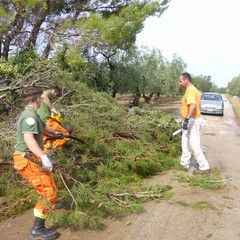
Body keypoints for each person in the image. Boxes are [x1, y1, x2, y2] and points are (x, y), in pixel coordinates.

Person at [12, 86, 60, 240]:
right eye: (41, 98)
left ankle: (47, 209)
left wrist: (55, 133)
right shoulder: (29, 117)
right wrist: (43, 156)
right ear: (38, 99)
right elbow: (28, 138)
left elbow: (43, 125)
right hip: (27, 159)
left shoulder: (33, 114)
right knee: (48, 191)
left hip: (32, 157)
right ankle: (37, 230)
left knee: (49, 188)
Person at [179, 72, 210, 175]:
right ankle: (184, 163)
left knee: (193, 144)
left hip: (192, 120)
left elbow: (192, 105)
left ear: (186, 80)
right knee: (185, 142)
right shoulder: (191, 89)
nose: (180, 83)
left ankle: (204, 166)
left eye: (181, 81)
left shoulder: (191, 90)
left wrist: (187, 119)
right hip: (190, 119)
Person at [37, 86, 70, 153]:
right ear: (54, 90)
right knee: (65, 135)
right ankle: (54, 150)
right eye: (56, 94)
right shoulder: (48, 93)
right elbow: (44, 95)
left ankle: (46, 156)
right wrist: (53, 109)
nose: (55, 96)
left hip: (39, 122)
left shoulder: (39, 102)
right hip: (46, 121)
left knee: (47, 141)